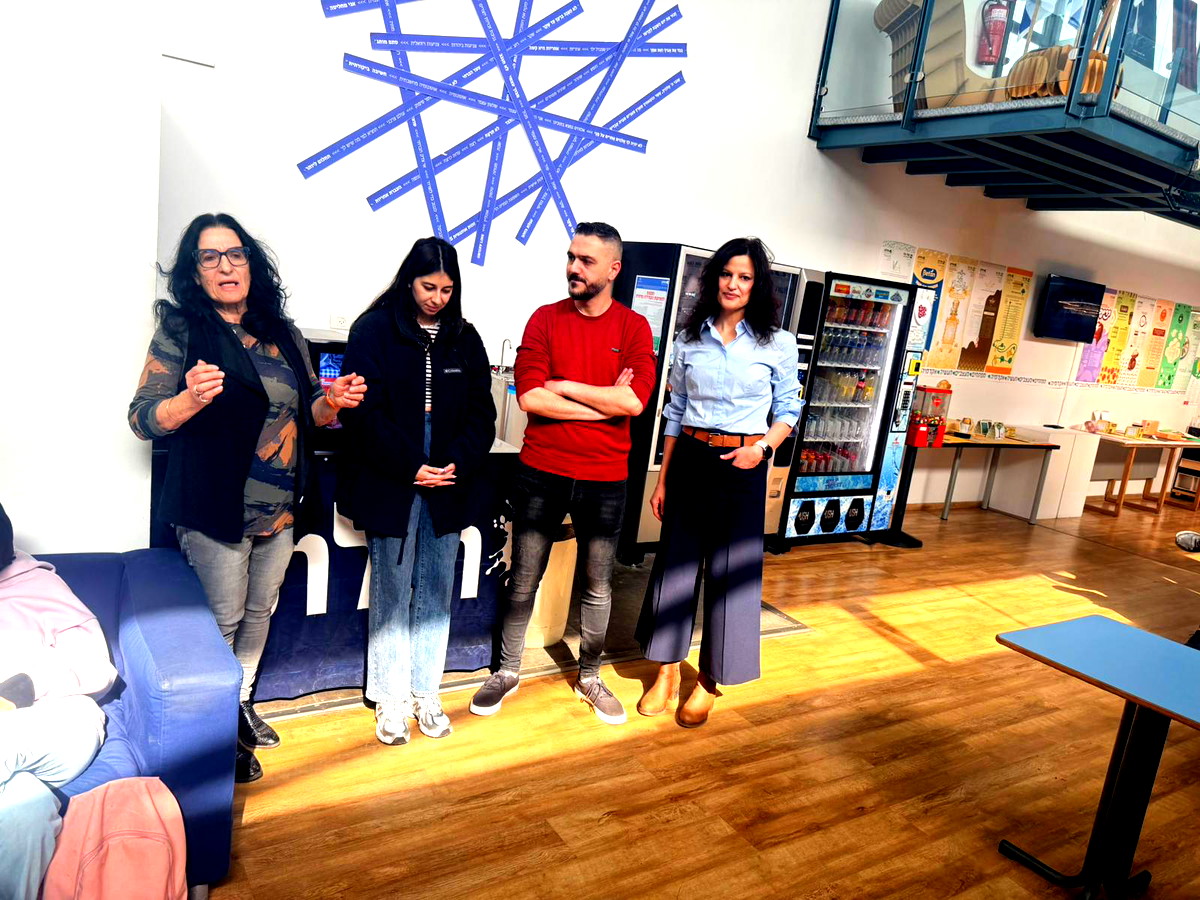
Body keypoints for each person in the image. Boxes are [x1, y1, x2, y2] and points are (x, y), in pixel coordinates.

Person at [127, 213, 366, 782]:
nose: (225, 266)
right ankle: (214, 729)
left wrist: (332, 402)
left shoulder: (282, 331)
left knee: (260, 612)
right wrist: (188, 400)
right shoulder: (184, 330)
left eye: (235, 254)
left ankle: (238, 706)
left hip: (280, 508)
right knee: (223, 620)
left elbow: (309, 411)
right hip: (214, 509)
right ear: (195, 273)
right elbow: (142, 419)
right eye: (209, 257)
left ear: (251, 264)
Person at [469, 222, 656, 725]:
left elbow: (634, 402)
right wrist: (605, 404)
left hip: (605, 478)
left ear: (613, 269)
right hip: (542, 471)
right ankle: (507, 670)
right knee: (523, 577)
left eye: (586, 260)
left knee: (598, 584)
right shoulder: (545, 319)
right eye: (571, 256)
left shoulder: (633, 328)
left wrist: (566, 385)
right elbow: (531, 397)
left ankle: (590, 676)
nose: (573, 267)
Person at [635, 237, 801, 727]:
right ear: (714, 279)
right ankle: (667, 670)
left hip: (744, 462)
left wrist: (761, 450)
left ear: (757, 284)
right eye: (727, 274)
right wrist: (663, 480)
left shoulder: (777, 343)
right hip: (690, 456)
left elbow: (789, 409)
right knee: (675, 566)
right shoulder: (690, 338)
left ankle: (710, 680)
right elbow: (675, 411)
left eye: (744, 277)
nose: (733, 284)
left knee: (733, 574)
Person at [336, 238, 495, 745]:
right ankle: (390, 697)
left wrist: (455, 463)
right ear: (409, 280)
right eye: (429, 287)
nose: (437, 298)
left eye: (447, 289)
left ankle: (426, 691)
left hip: (449, 473)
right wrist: (411, 466)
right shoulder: (373, 330)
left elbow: (482, 414)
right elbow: (362, 413)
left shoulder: (465, 337)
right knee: (391, 583)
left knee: (436, 587)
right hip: (392, 470)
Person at [0, 501, 118, 900]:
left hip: (60, 721)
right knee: (26, 812)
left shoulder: (38, 587)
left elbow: (96, 668)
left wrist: (22, 688)